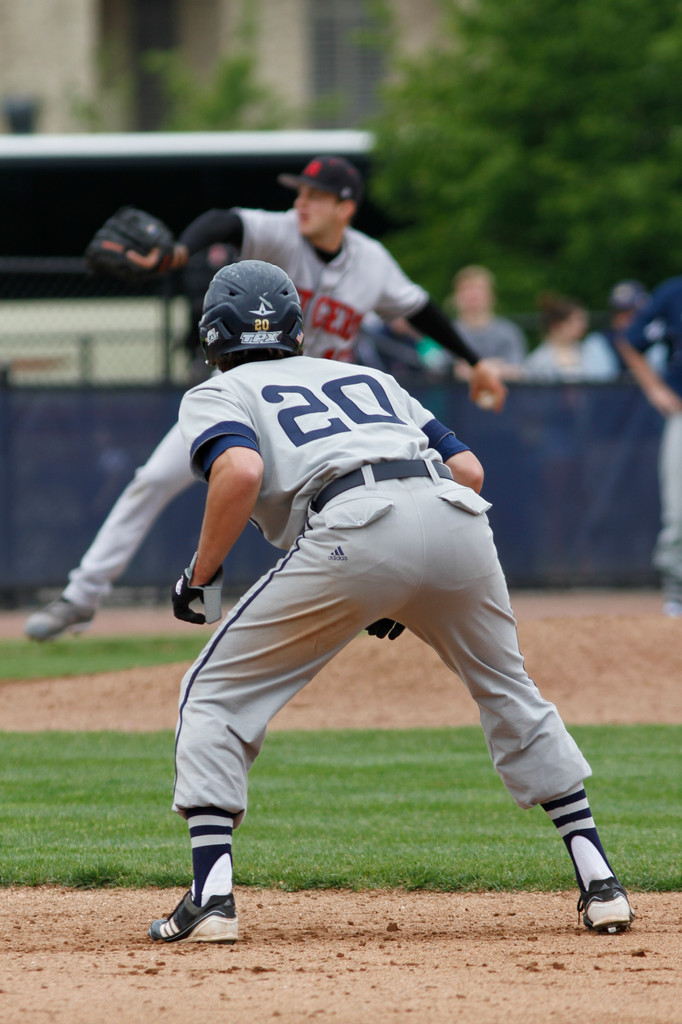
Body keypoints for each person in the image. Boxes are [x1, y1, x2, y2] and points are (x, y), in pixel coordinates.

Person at [147, 259, 634, 944]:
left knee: (213, 692)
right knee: (508, 690)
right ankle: (601, 882)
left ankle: (213, 897)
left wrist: (199, 576)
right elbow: (469, 468)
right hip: (456, 516)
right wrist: (400, 584)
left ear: (212, 335)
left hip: (354, 524)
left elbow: (242, 469)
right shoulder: (367, 377)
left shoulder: (217, 390)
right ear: (295, 328)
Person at [24, 155, 507, 642]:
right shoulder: (280, 232)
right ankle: (80, 597)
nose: (301, 203)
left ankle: (380, 587)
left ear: (346, 207)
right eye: (299, 193)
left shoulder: (371, 260)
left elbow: (419, 309)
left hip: (323, 416)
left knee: (343, 497)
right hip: (246, 395)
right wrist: (179, 252)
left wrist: (474, 359)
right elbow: (224, 221)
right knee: (152, 479)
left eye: (315, 196)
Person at [614, 276, 682, 617]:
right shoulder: (673, 292)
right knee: (679, 511)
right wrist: (655, 389)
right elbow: (630, 338)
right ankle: (677, 596)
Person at [451, 265, 528, 381]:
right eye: (467, 289)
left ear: (491, 295)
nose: (473, 296)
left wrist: (476, 369)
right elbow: (442, 369)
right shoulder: (447, 332)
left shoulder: (509, 332)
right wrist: (496, 366)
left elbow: (517, 370)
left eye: (479, 289)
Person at [581, 280, 665, 379]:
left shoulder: (656, 339)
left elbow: (660, 376)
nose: (624, 318)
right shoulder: (598, 342)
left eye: (632, 313)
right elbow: (600, 383)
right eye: (619, 313)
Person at [523, 292, 592, 381]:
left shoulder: (587, 351)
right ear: (558, 324)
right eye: (575, 321)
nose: (582, 326)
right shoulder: (538, 361)